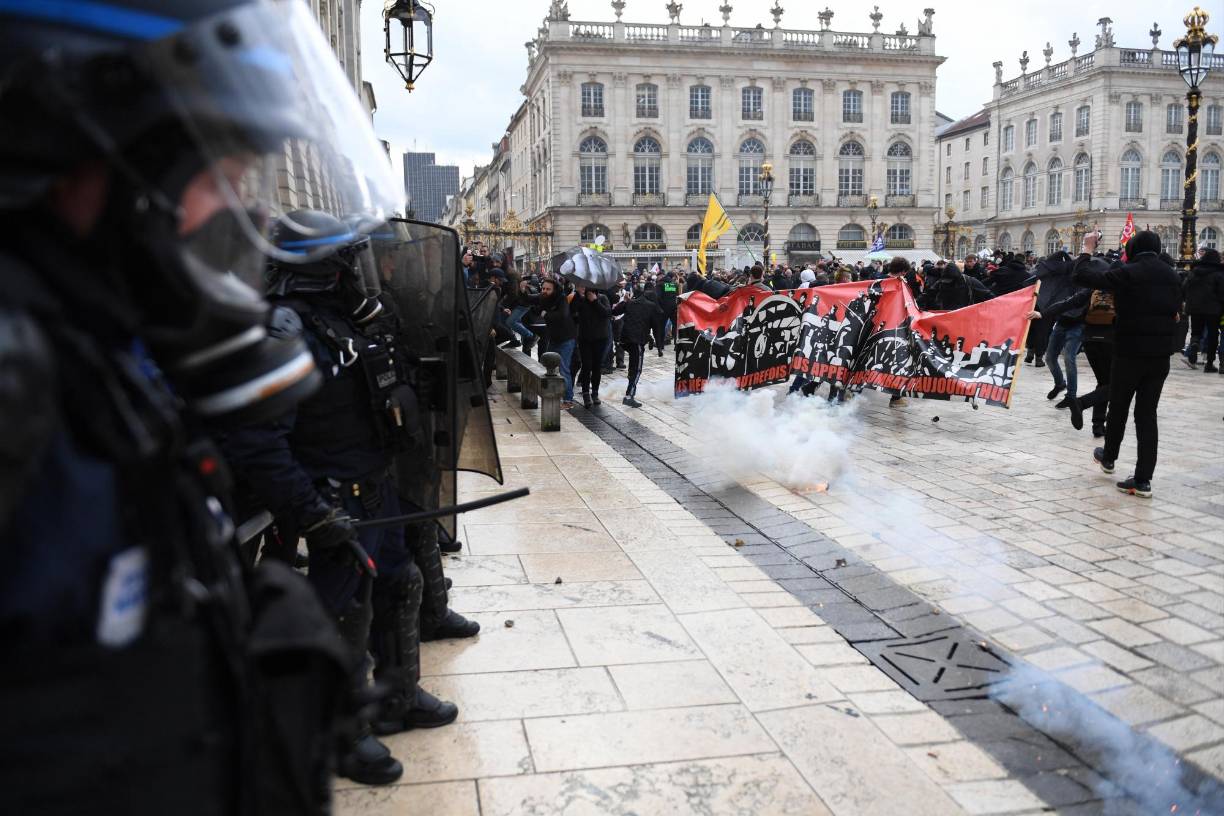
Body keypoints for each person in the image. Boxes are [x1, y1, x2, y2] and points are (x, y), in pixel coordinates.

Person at [0, 0, 406, 811]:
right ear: (85, 142)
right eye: (222, 171)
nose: (249, 214)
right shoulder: (18, 389)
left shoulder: (95, 351)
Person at [1073, 230, 1182, 498]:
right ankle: (1142, 480)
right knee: (1147, 416)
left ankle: (1109, 457)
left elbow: (1083, 276)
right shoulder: (1172, 275)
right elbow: (1176, 313)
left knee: (1119, 406)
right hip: (1158, 357)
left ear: (1133, 247)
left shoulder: (1129, 271)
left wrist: (1087, 248)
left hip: (1129, 352)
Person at [528, 278, 577, 408]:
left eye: (548, 289)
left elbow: (562, 315)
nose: (544, 291)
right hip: (554, 338)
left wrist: (545, 314)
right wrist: (521, 290)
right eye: (543, 288)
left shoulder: (561, 299)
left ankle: (568, 400)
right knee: (549, 366)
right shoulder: (543, 298)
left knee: (564, 369)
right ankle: (553, 393)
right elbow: (528, 299)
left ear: (554, 290)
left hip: (566, 339)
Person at [612, 286, 663, 407]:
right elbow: (656, 328)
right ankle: (629, 396)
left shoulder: (631, 303)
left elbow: (615, 311)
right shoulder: (651, 306)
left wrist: (625, 301)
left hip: (625, 340)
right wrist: (659, 347)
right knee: (637, 369)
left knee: (633, 367)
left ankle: (630, 387)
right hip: (637, 341)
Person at [1181, 248, 1224, 372]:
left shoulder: (1194, 272)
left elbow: (1184, 287)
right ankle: (1209, 363)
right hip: (1213, 309)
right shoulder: (1219, 273)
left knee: (1196, 332)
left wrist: (1188, 300)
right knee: (1212, 335)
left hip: (1195, 308)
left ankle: (1193, 349)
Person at [573, 287, 613, 408]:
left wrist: (595, 301)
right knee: (586, 366)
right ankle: (586, 393)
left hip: (600, 338)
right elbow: (573, 313)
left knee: (597, 366)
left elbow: (607, 313)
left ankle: (594, 393)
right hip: (585, 338)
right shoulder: (580, 299)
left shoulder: (602, 298)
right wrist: (578, 296)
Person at [917, 261, 993, 311]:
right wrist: (916, 304)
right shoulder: (942, 282)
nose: (948, 282)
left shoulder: (970, 281)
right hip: (947, 315)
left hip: (965, 316)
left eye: (950, 280)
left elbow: (988, 295)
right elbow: (929, 293)